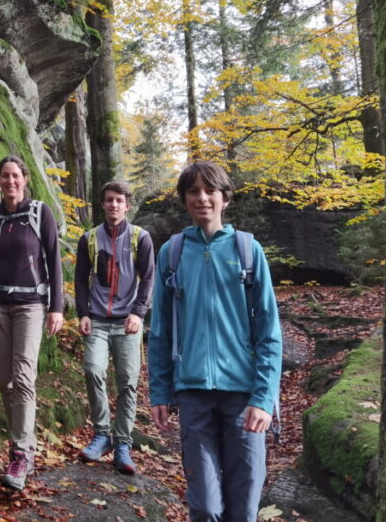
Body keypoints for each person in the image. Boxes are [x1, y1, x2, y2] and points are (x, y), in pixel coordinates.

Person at [147, 162, 282, 522]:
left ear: (225, 198)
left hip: (244, 396)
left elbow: (270, 331)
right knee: (206, 508)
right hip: (193, 395)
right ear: (184, 199)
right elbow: (159, 329)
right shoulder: (171, 253)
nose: (202, 198)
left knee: (244, 509)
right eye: (193, 191)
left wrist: (264, 399)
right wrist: (160, 391)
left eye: (210, 191)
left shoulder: (248, 250)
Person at [0, 155, 63, 492]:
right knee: (6, 380)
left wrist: (57, 308)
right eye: (4, 177)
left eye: (15, 176)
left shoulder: (40, 213)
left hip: (31, 306)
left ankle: (19, 453)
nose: (10, 182)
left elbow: (53, 259)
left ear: (25, 179)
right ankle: (25, 444)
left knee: (23, 377)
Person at [74, 180, 154, 474]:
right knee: (93, 370)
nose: (114, 205)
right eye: (109, 200)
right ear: (103, 203)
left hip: (127, 322)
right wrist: (82, 312)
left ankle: (122, 443)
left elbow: (148, 277)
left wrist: (138, 312)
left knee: (128, 381)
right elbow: (81, 279)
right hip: (96, 318)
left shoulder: (140, 238)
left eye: (119, 200)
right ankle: (101, 434)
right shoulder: (89, 239)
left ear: (127, 205)